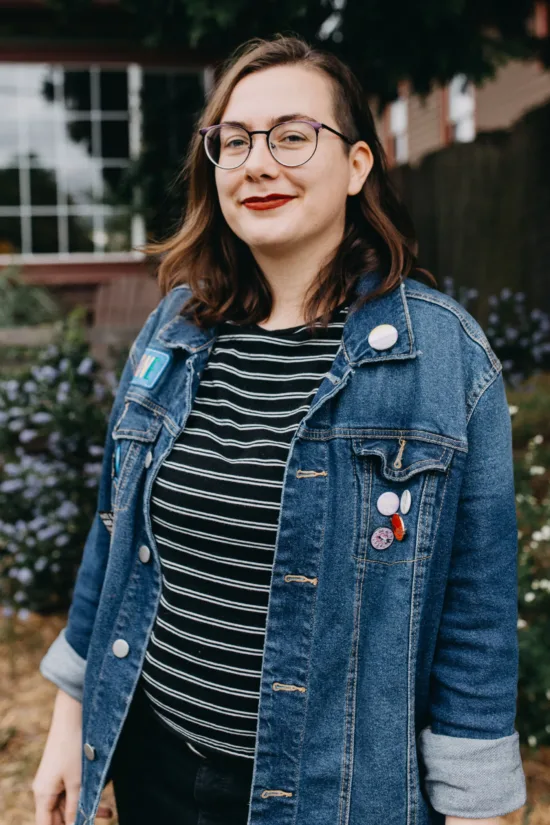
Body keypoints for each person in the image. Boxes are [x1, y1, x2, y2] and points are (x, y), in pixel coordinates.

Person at [33, 33, 527, 825]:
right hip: (155, 763)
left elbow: (476, 619)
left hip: (334, 795)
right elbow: (114, 536)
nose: (258, 162)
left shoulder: (441, 358)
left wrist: (476, 812)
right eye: (233, 141)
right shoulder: (174, 329)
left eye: (293, 135)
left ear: (358, 164)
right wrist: (69, 719)